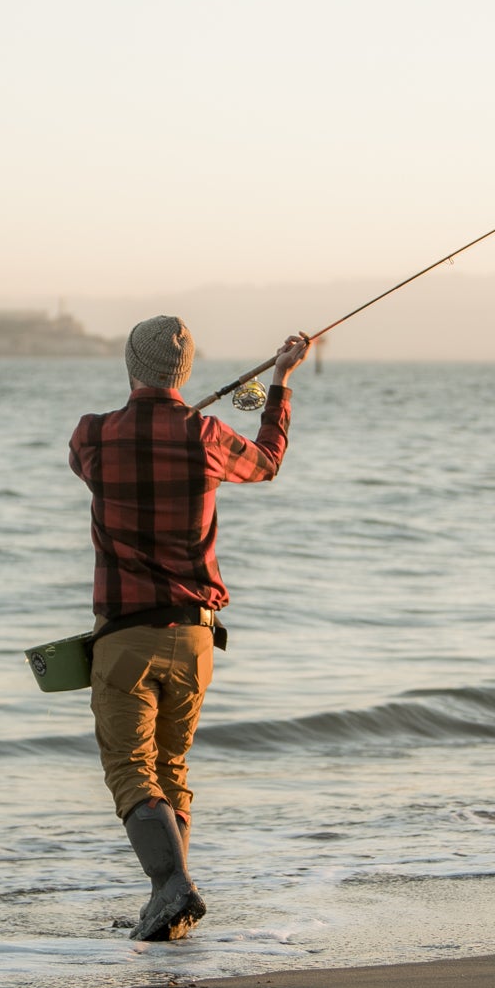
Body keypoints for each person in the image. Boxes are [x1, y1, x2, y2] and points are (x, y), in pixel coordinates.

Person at [68, 316, 312, 941]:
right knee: (171, 770)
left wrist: (157, 421)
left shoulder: (94, 436)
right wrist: (279, 384)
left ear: (130, 367)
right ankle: (169, 908)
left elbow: (82, 461)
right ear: (185, 373)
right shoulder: (203, 434)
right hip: (195, 639)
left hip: (124, 640)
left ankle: (169, 887)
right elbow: (266, 463)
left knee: (131, 772)